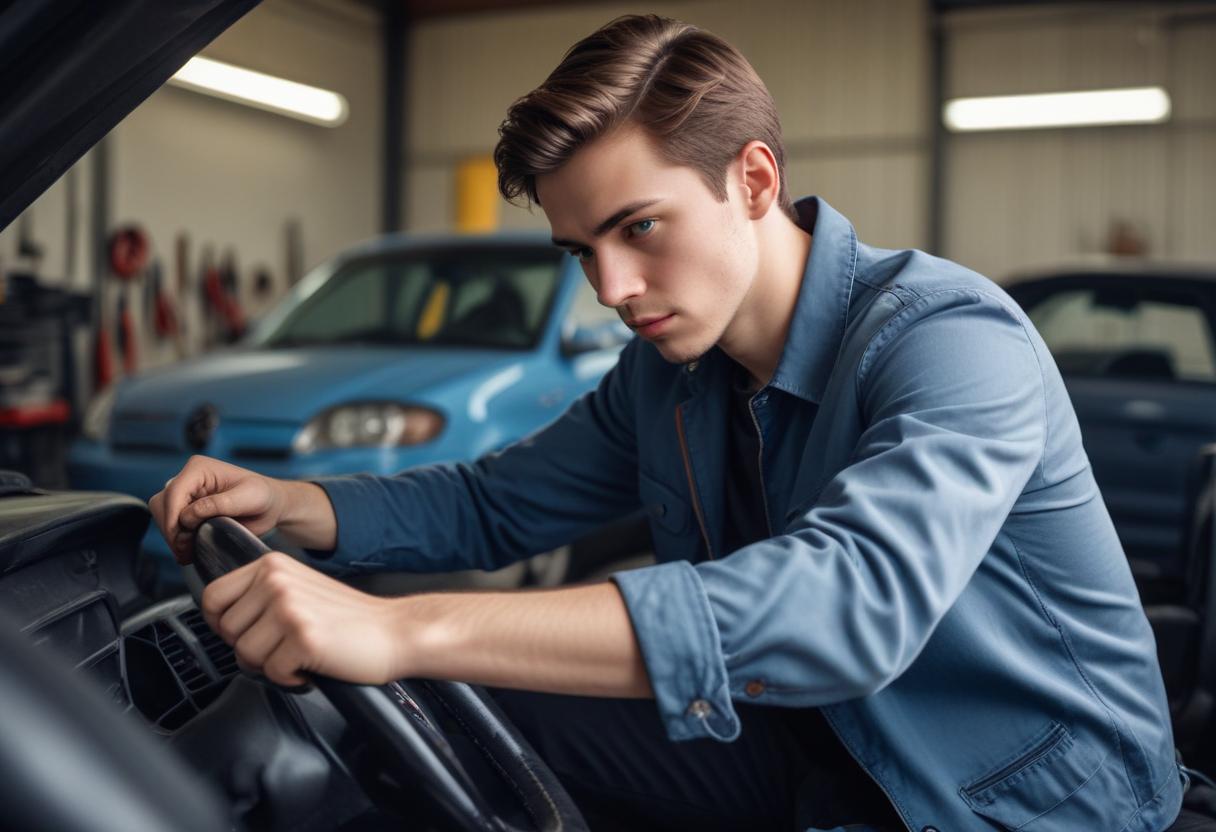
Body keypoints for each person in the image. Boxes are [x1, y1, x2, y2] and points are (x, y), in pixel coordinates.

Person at [150, 14, 1183, 831]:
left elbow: (850, 603)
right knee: (435, 730)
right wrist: (298, 501)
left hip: (1011, 795)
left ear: (753, 180)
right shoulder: (668, 376)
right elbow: (495, 500)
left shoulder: (950, 339)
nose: (612, 286)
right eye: (579, 251)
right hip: (809, 742)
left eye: (638, 228)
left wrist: (402, 624)